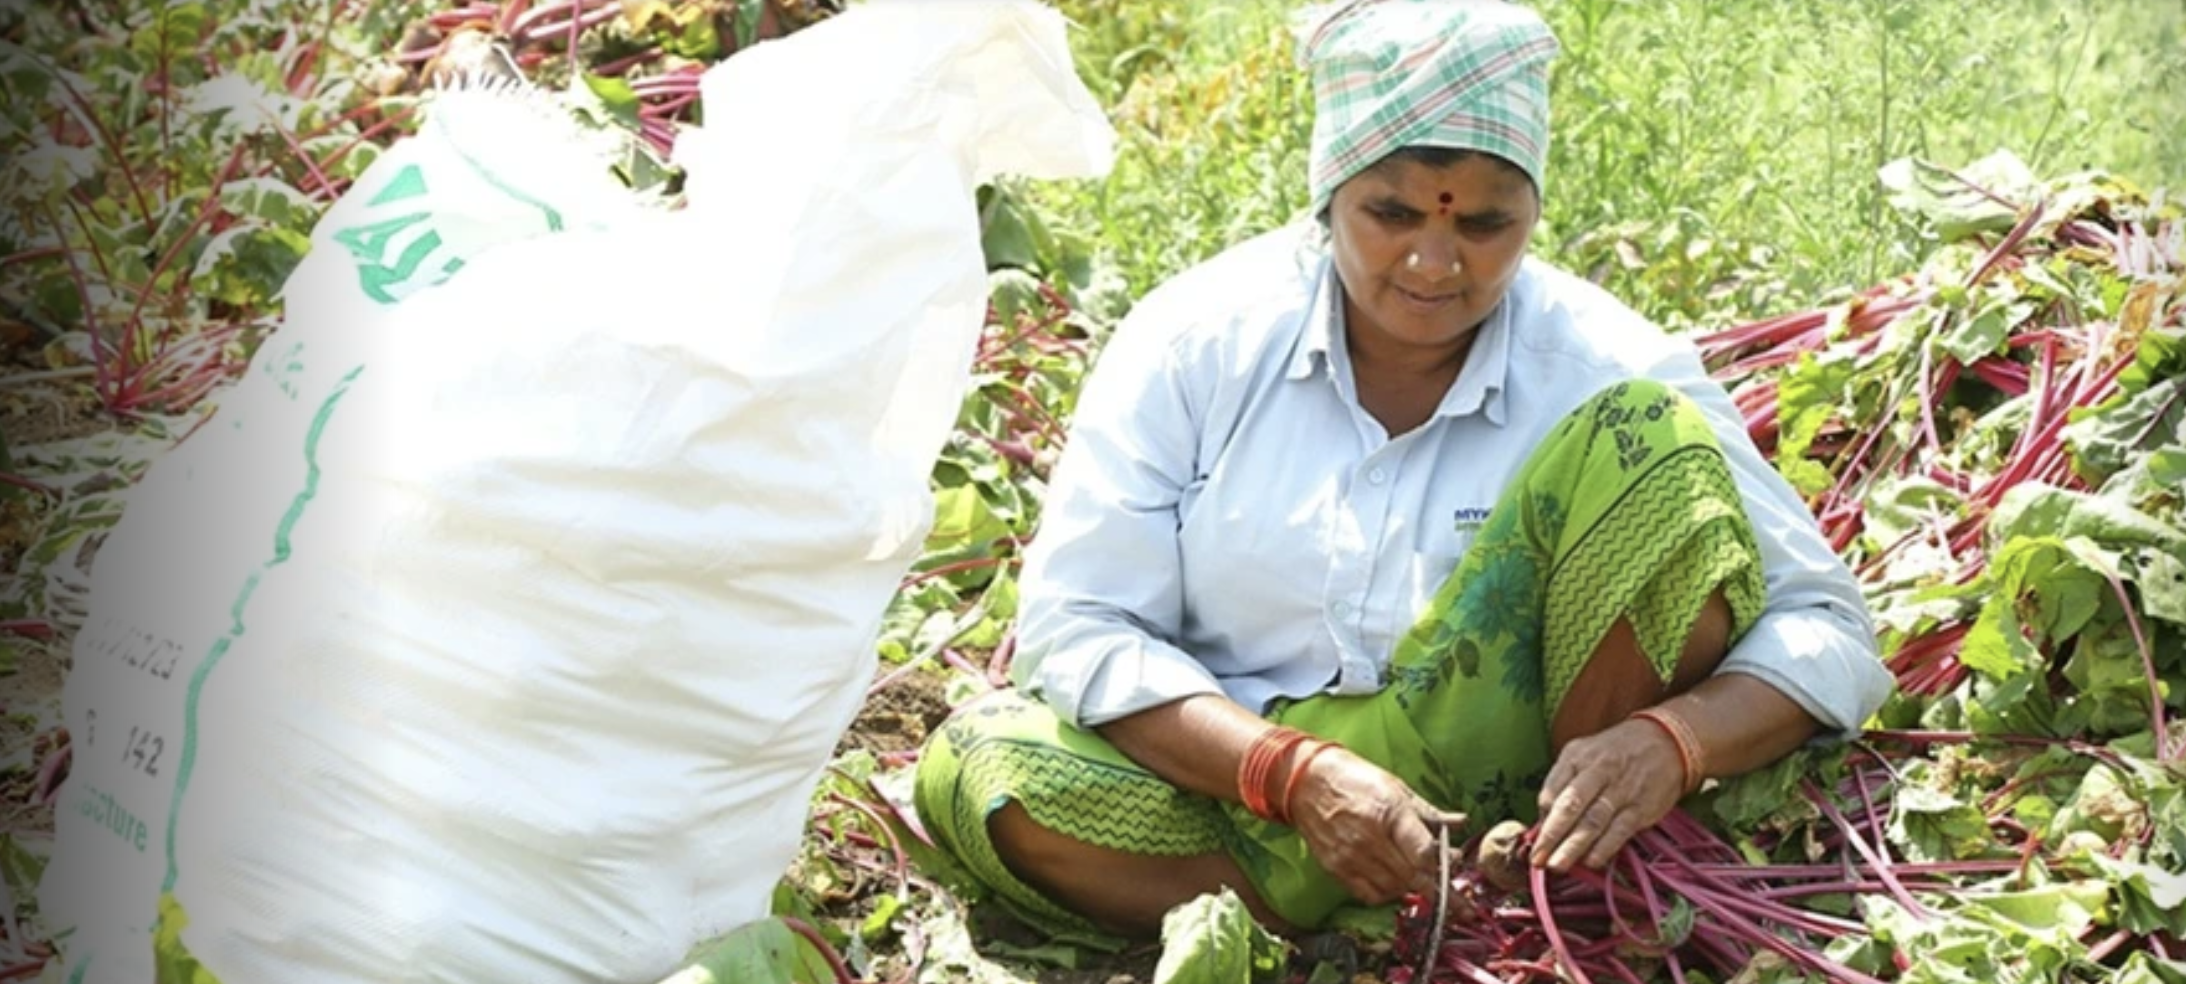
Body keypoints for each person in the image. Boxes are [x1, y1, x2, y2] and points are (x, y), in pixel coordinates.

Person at [913, 0, 1893, 943]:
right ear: (1327, 195)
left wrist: (1673, 744)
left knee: (1650, 442)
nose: (1433, 262)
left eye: (1483, 225)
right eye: (1389, 212)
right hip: (1238, 786)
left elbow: (1825, 632)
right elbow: (1077, 624)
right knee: (982, 765)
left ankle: (1503, 873)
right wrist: (1289, 775)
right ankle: (1402, 904)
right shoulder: (1194, 342)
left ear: (1531, 215)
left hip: (1517, 793)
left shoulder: (1605, 365)